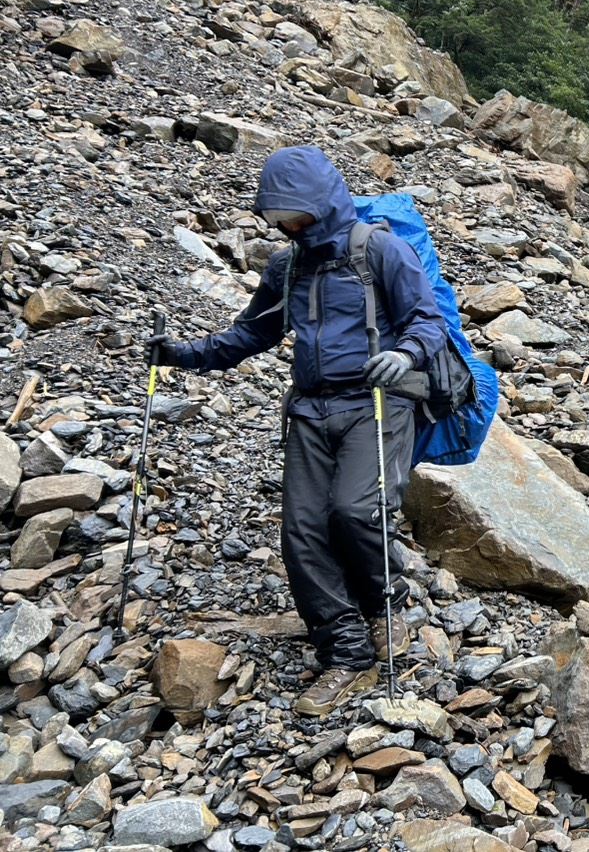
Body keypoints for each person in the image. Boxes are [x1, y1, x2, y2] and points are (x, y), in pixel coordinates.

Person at [147, 146, 446, 716]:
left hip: (377, 402)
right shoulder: (287, 268)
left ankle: (386, 603)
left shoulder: (381, 250)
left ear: (324, 202)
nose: (287, 224)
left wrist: (405, 354)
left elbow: (427, 320)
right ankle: (347, 651)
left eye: (296, 213)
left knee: (356, 511)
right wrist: (181, 356)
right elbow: (249, 335)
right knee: (302, 531)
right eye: (279, 216)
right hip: (309, 409)